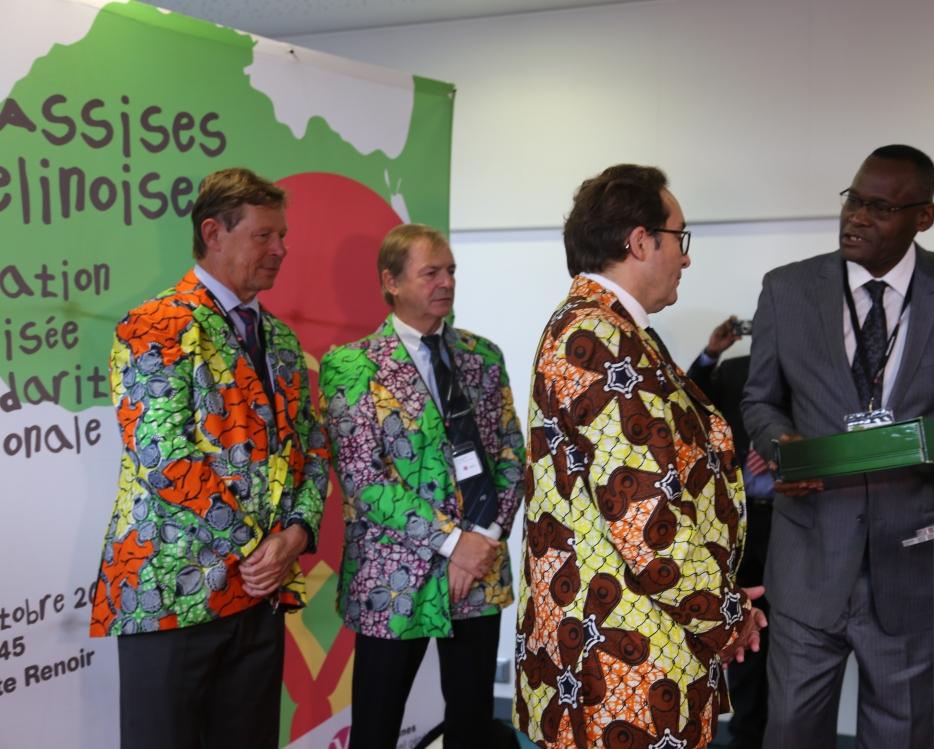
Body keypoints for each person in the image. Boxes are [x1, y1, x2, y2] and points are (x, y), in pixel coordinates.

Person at [741, 144, 934, 749]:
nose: (856, 218)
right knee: (789, 733)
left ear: (924, 216)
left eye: (879, 207)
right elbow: (758, 399)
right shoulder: (787, 290)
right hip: (809, 561)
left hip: (917, 569)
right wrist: (778, 443)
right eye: (852, 200)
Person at [515, 164, 764, 749]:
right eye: (681, 238)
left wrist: (717, 598)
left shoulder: (617, 329)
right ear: (640, 240)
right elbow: (643, 516)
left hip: (634, 638)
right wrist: (723, 613)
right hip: (621, 654)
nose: (686, 257)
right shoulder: (597, 336)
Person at [90, 167, 330, 749]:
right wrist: (257, 550)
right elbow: (163, 457)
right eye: (264, 236)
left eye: (283, 235)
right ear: (213, 233)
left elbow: (313, 451)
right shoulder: (156, 324)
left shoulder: (280, 339)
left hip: (258, 595)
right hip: (171, 597)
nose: (281, 248)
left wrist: (295, 535)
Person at [319, 223, 525, 749]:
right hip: (394, 578)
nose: (446, 282)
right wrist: (455, 544)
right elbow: (365, 482)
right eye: (430, 272)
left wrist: (483, 538)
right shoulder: (353, 365)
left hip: (479, 568)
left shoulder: (483, 357)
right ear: (391, 282)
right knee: (376, 726)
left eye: (450, 270)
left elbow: (510, 454)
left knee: (471, 724)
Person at [689, 319, 773, 749]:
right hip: (743, 525)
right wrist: (711, 353)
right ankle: (745, 739)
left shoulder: (813, 371)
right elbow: (689, 402)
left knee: (791, 643)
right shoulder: (736, 369)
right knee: (744, 633)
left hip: (794, 521)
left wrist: (785, 449)